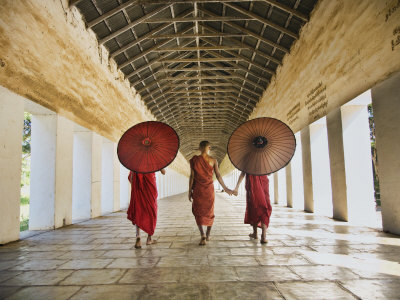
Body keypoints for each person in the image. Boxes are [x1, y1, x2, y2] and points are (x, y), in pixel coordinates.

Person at [189, 141, 233, 245]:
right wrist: (226, 188)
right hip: (209, 190)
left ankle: (202, 235)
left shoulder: (194, 160)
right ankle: (208, 235)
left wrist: (189, 191)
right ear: (209, 148)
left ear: (199, 148)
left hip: (198, 189)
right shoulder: (213, 161)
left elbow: (192, 176)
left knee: (198, 212)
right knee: (210, 212)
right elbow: (218, 175)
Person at [127, 168, 165, 249]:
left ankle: (138, 236)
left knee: (138, 210)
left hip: (138, 188)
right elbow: (163, 172)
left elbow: (131, 177)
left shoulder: (136, 160)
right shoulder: (153, 159)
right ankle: (149, 238)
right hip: (150, 186)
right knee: (152, 211)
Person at [233, 171, 272, 244]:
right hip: (262, 182)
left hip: (254, 185)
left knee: (255, 207)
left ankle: (255, 233)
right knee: (265, 207)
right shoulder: (263, 160)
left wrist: (237, 187)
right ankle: (263, 236)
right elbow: (269, 173)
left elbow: (242, 173)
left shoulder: (248, 160)